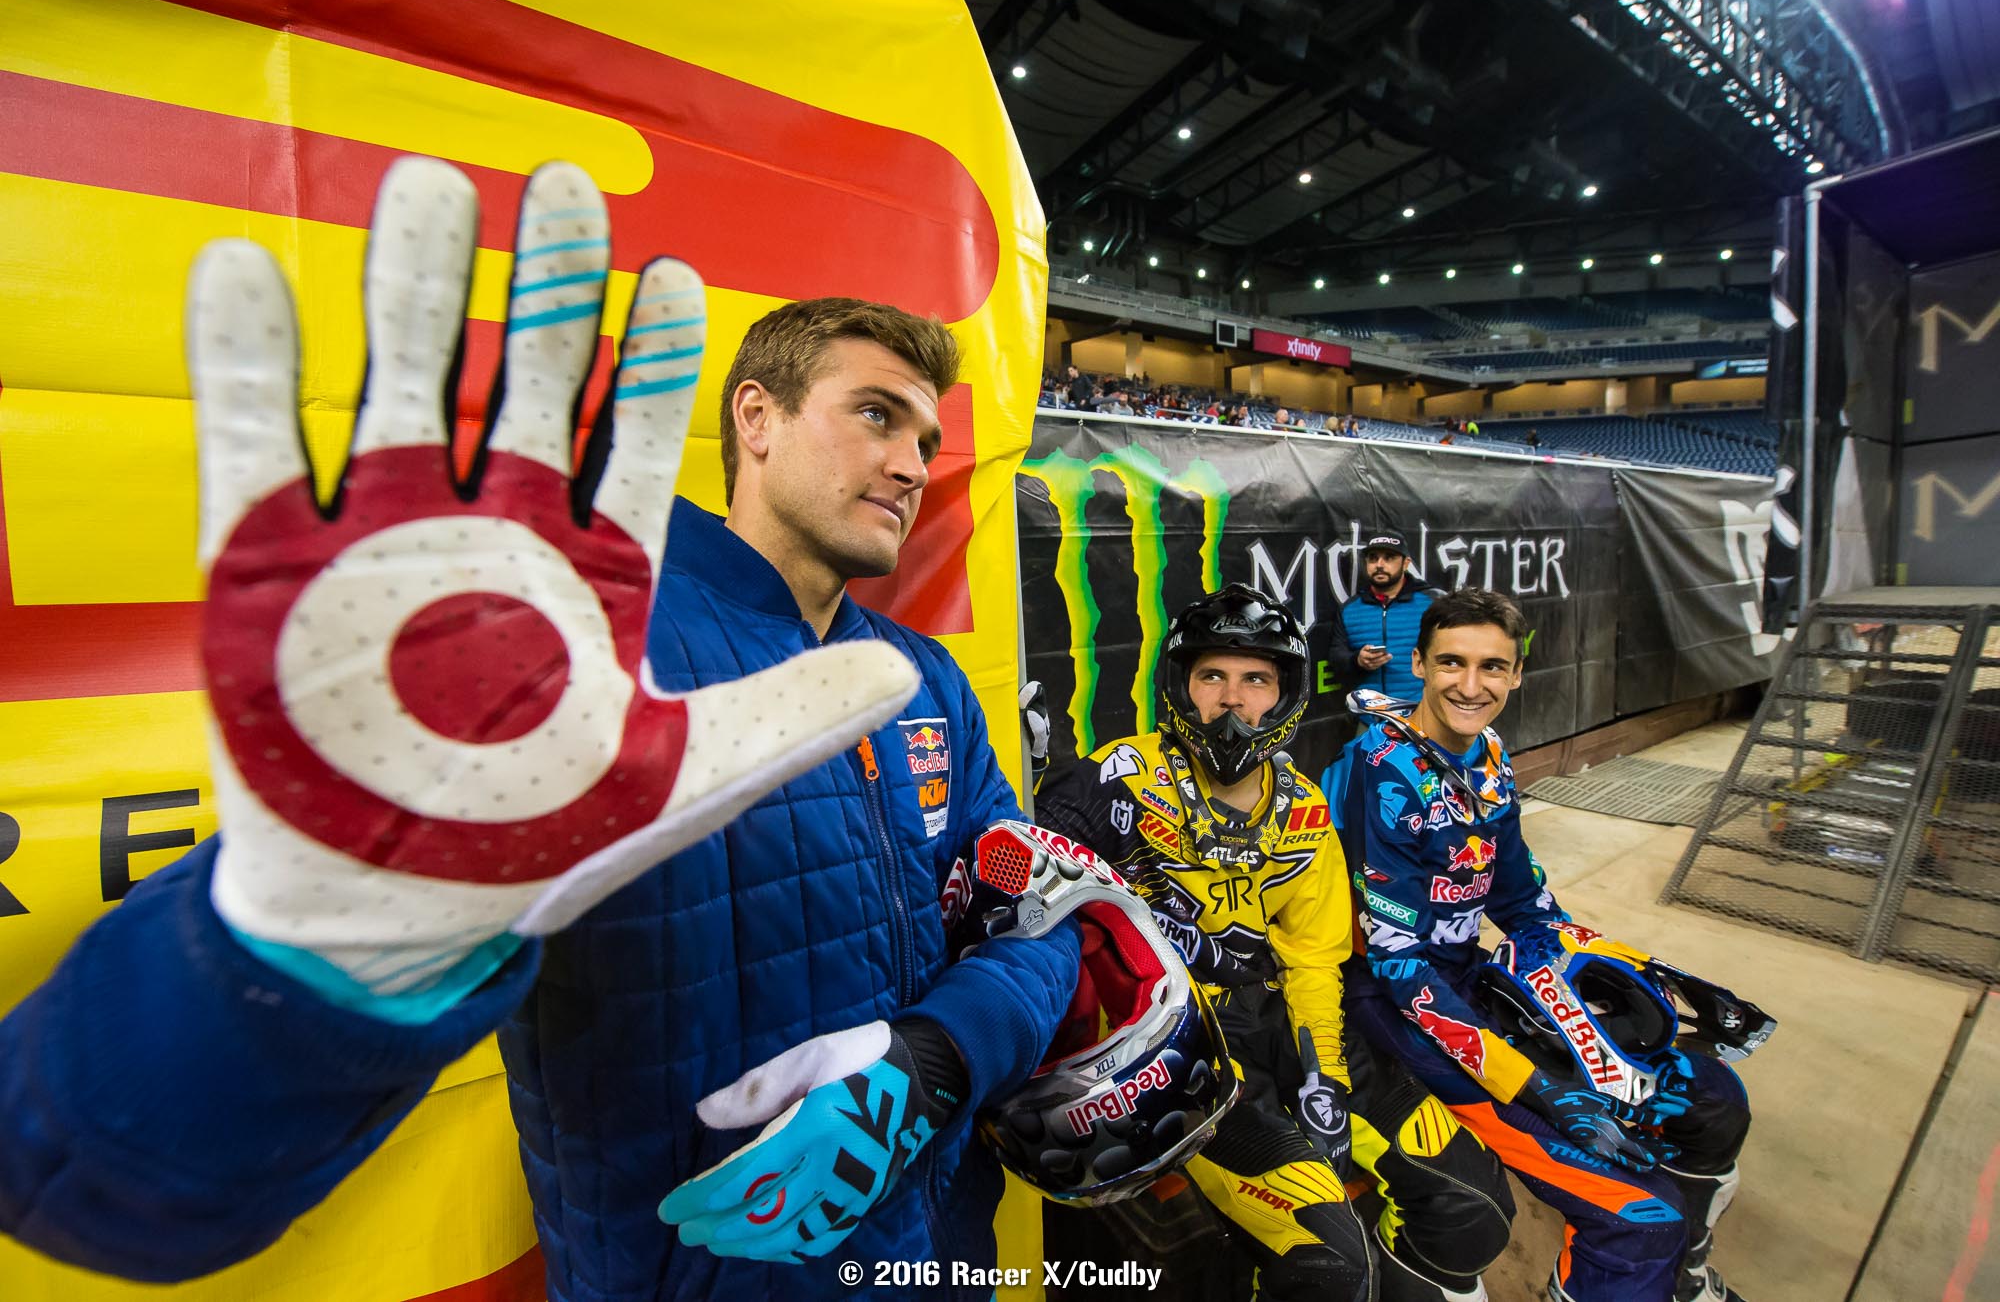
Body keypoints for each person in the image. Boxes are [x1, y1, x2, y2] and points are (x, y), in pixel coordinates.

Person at [0, 158, 1080, 1302]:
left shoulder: (919, 676)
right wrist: (333, 942)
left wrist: (937, 1057)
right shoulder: (580, 646)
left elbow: (1037, 908)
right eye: (875, 415)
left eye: (924, 433)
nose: (914, 463)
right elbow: (103, 1180)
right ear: (754, 418)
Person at [1034, 585, 1514, 1302]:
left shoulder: (1306, 806)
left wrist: (1324, 1077)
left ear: (1285, 692)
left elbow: (1315, 959)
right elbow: (1022, 873)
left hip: (1291, 1018)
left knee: (1477, 1209)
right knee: (1328, 1266)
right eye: (1212, 676)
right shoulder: (1117, 779)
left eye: (1256, 678)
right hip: (1182, 1046)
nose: (1233, 700)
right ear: (1181, 685)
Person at [1320, 589, 1753, 1302]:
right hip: (1390, 1005)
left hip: (1470, 979)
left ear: (1519, 674)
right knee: (1638, 1213)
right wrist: (1542, 1085)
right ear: (1419, 664)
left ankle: (1686, 1278)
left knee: (1713, 1100)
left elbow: (1525, 902)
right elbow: (1398, 963)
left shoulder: (1487, 753)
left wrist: (1648, 975)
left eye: (1493, 666)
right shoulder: (1378, 768)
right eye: (1452, 662)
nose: (1470, 684)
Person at [1328, 529, 1435, 702]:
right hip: (1369, 714)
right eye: (1373, 558)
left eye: (1389, 557)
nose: (1379, 564)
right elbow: (1336, 655)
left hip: (1419, 711)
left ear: (1406, 563)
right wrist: (1358, 660)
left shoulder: (1429, 603)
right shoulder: (1350, 609)